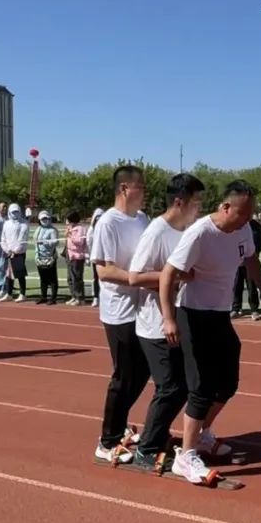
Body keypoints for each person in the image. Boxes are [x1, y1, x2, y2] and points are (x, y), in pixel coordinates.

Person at [159, 180, 261, 483]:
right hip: (192, 315)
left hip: (220, 315)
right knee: (201, 386)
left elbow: (250, 258)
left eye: (250, 215)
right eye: (243, 214)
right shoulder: (200, 232)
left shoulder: (244, 229)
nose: (247, 220)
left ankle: (203, 434)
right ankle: (185, 457)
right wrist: (168, 319)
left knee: (228, 383)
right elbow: (168, 274)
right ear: (225, 207)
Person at [126, 173, 206, 470]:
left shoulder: (185, 230)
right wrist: (175, 276)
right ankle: (146, 449)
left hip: (177, 319)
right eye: (196, 201)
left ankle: (156, 437)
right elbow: (135, 276)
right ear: (179, 201)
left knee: (183, 386)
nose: (199, 207)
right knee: (170, 387)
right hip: (154, 323)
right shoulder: (157, 232)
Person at [92, 166, 151, 464]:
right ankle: (107, 440)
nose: (145, 192)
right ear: (125, 188)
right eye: (141, 187)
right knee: (123, 375)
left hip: (142, 308)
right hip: (118, 312)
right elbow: (103, 269)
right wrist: (137, 279)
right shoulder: (107, 223)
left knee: (143, 372)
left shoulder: (142, 219)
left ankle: (120, 425)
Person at [231, 217, 261, 319]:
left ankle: (254, 309)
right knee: (236, 285)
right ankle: (236, 308)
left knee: (252, 285)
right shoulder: (236, 224)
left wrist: (255, 253)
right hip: (237, 261)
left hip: (251, 261)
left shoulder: (256, 226)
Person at [0, 204, 29, 302]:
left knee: (20, 273)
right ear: (9, 212)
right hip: (8, 252)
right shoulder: (6, 223)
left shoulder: (24, 223)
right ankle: (9, 293)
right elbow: (3, 238)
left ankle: (22, 294)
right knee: (8, 274)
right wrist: (7, 250)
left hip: (19, 253)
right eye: (13, 212)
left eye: (17, 211)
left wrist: (15, 251)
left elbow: (22, 239)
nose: (15, 214)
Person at [35, 210, 60, 305]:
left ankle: (53, 298)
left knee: (52, 278)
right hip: (39, 257)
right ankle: (43, 296)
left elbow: (55, 242)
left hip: (50, 256)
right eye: (43, 219)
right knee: (43, 278)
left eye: (46, 218)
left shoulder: (53, 230)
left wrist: (46, 242)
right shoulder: (38, 229)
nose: (45, 220)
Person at [64, 211, 89, 305]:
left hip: (77, 256)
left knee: (77, 278)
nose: (67, 222)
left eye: (68, 220)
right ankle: (73, 296)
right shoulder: (70, 228)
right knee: (70, 278)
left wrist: (70, 234)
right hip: (69, 255)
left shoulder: (80, 229)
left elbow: (80, 242)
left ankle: (80, 297)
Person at [87, 207, 105, 307]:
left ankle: (103, 297)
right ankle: (96, 297)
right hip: (95, 257)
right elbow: (89, 243)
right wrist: (89, 256)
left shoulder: (106, 228)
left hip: (105, 258)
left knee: (105, 278)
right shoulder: (91, 230)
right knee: (96, 277)